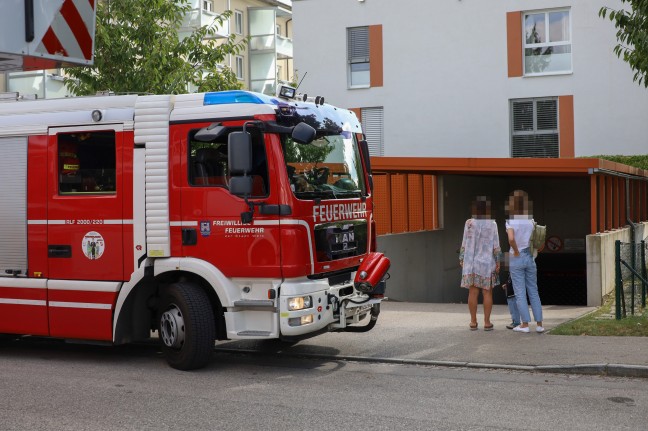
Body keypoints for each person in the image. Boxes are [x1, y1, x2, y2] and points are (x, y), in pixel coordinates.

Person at [505, 190, 544, 333]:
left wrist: (515, 251)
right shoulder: (531, 221)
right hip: (530, 257)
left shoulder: (510, 221)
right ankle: (539, 324)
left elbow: (511, 239)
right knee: (533, 290)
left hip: (517, 258)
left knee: (520, 292)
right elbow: (540, 242)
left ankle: (525, 325)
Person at [459, 196, 501, 331]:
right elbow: (496, 245)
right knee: (487, 293)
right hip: (487, 263)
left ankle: (473, 322)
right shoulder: (492, 224)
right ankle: (487, 323)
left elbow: (464, 242)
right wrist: (498, 261)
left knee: (472, 292)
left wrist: (461, 258)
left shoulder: (469, 223)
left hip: (471, 262)